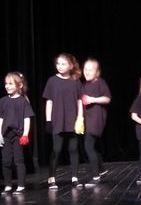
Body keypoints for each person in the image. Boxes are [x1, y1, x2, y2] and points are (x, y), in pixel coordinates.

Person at [42, 53, 83, 189]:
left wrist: (80, 118)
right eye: (58, 63)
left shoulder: (76, 81)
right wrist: (48, 121)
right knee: (57, 149)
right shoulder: (52, 81)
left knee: (73, 149)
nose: (59, 66)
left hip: (72, 120)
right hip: (58, 120)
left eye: (63, 64)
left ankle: (75, 178)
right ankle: (51, 178)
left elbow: (79, 101)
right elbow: (49, 101)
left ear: (71, 66)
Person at [0, 72, 34, 194]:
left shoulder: (23, 101)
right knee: (6, 161)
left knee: (18, 160)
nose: (7, 86)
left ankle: (21, 186)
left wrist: (25, 134)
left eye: (10, 84)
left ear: (19, 85)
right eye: (6, 83)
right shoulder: (3, 101)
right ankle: (8, 185)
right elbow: (0, 118)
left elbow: (27, 118)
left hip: (18, 135)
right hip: (6, 135)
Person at [80, 58, 112, 186]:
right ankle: (102, 170)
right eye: (85, 69)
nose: (87, 72)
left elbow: (107, 99)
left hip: (96, 119)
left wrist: (92, 99)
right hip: (87, 120)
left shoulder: (100, 83)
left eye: (90, 69)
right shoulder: (83, 85)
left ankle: (95, 176)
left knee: (88, 146)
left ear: (97, 72)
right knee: (92, 146)